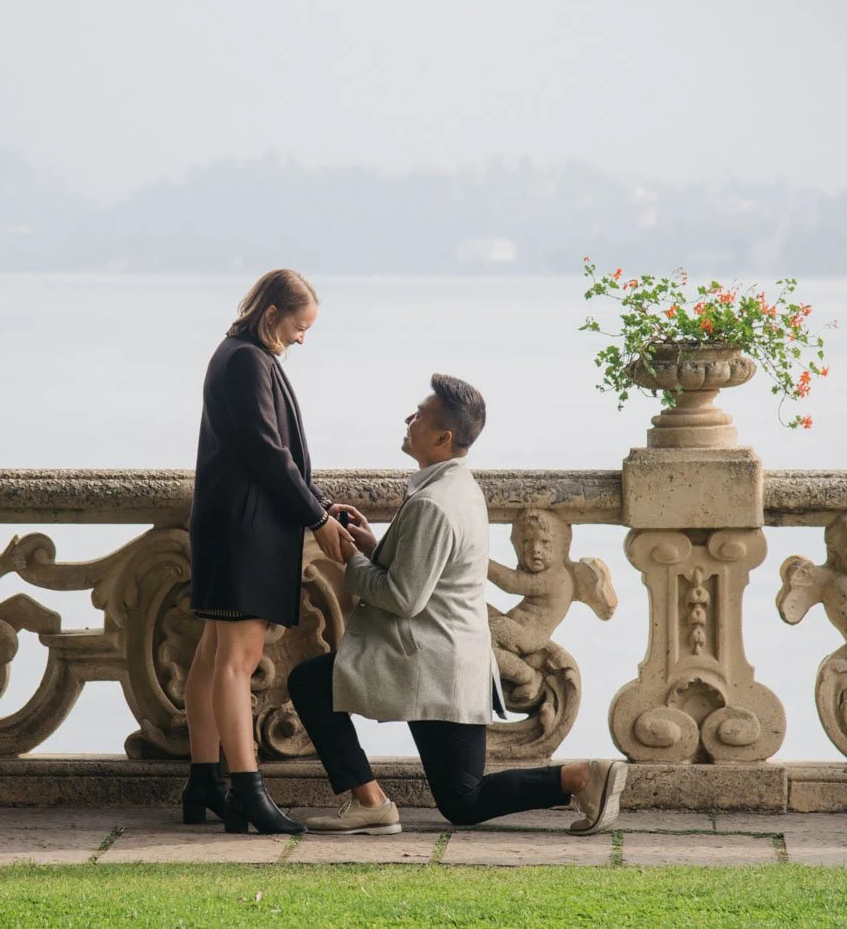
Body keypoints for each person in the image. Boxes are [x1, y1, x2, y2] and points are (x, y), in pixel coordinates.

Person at [287, 374, 628, 836]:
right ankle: (582, 778)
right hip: (452, 659)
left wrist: (350, 559)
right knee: (462, 800)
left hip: (427, 663)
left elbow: (403, 597)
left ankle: (371, 802)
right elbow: (428, 568)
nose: (409, 419)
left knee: (309, 682)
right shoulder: (459, 486)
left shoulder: (433, 502)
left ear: (442, 437)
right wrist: (371, 547)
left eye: (420, 415)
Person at [183, 268, 352, 835]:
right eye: (300, 327)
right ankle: (247, 793)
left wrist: (321, 503)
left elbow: (275, 455)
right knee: (238, 662)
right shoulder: (247, 361)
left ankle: (205, 782)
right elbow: (267, 452)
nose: (303, 338)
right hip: (244, 533)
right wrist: (318, 517)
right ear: (272, 313)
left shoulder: (237, 354)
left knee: (213, 656)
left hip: (229, 526)